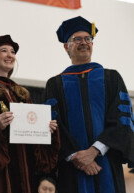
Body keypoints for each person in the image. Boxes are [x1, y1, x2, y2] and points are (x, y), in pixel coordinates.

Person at [44, 16, 134, 193]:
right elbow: (54, 126)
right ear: (66, 46)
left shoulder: (111, 78)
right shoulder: (54, 84)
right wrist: (76, 157)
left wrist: (94, 151)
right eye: (77, 39)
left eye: (88, 38)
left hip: (106, 162)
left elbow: (121, 120)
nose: (84, 42)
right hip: (71, 167)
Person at [0, 35, 60, 193]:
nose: (10, 55)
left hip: (25, 172)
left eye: (13, 52)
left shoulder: (21, 93)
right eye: (4, 51)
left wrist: (45, 130)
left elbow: (34, 144)